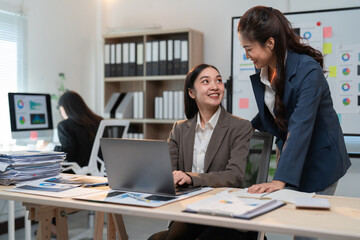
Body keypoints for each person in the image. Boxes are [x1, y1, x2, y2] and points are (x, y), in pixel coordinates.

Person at [237, 6, 351, 196]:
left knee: (308, 223)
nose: (247, 55)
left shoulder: (308, 70)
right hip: (291, 154)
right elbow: (275, 105)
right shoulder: (265, 67)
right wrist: (247, 127)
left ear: (270, 43)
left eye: (248, 49)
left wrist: (279, 180)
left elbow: (301, 124)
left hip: (319, 161)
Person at [149, 64, 257, 240]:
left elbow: (234, 176)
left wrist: (192, 177)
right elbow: (167, 172)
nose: (215, 86)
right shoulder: (180, 129)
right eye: (206, 81)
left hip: (224, 213)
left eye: (219, 80)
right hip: (190, 210)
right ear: (191, 93)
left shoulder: (240, 127)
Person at [54, 90, 103, 168]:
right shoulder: (98, 121)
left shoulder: (65, 125)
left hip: (78, 171)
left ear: (63, 108)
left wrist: (50, 147)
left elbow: (67, 155)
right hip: (100, 170)